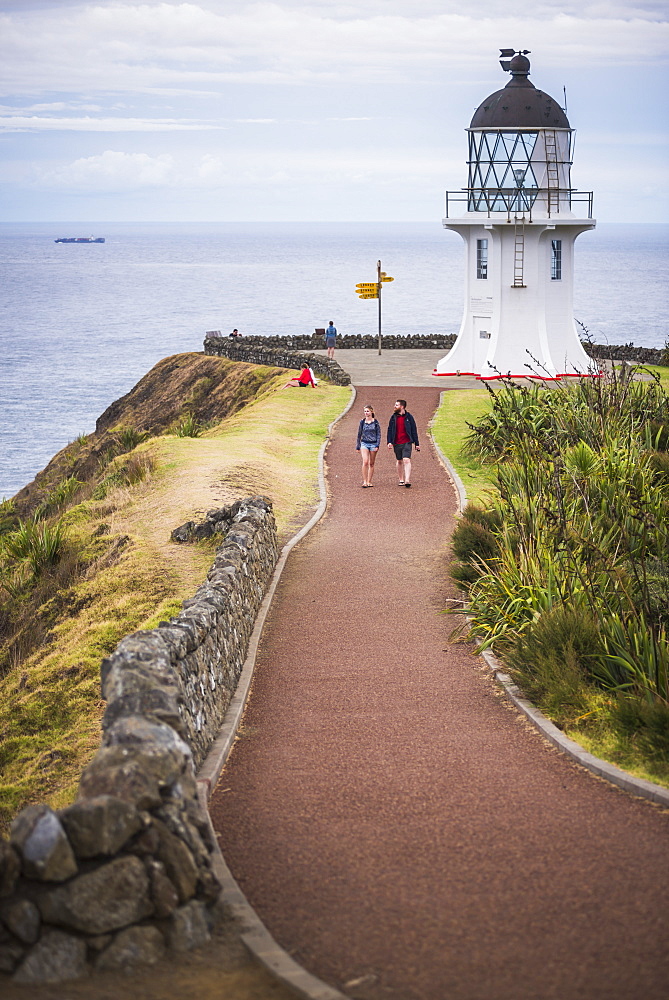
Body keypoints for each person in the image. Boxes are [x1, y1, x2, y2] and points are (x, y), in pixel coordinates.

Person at [387, 398, 420, 487]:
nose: (394, 406)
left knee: (406, 459)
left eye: (396, 405)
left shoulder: (409, 417)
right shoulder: (393, 417)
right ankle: (401, 479)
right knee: (399, 460)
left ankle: (407, 480)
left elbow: (414, 430)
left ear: (402, 407)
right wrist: (389, 441)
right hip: (397, 442)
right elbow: (390, 430)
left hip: (407, 442)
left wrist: (417, 443)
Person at [356, 405, 381, 488]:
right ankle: (364, 481)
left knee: (371, 463)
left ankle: (370, 481)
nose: (366, 413)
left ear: (372, 412)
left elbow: (378, 434)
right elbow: (359, 434)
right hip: (364, 443)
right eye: (365, 411)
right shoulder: (362, 422)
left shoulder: (376, 422)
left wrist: (377, 444)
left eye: (368, 411)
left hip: (373, 443)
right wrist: (358, 445)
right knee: (365, 461)